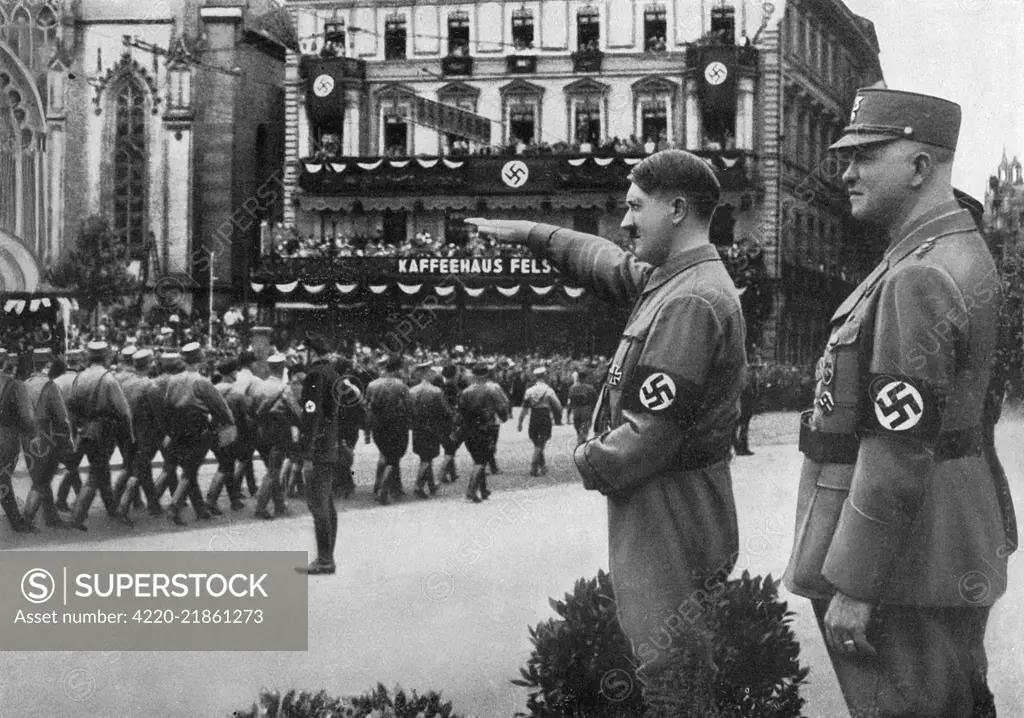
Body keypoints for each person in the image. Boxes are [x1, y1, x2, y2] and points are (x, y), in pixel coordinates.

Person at [466, 148, 746, 711]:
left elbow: (649, 435)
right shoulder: (677, 280)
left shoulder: (689, 299)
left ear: (677, 209)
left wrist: (585, 458)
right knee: (673, 665)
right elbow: (606, 262)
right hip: (675, 502)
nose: (624, 221)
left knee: (673, 674)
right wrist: (534, 233)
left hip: (671, 507)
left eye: (635, 207)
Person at [782, 88, 1012, 716]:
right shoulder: (950, 251)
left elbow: (897, 447)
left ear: (919, 167)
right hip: (936, 544)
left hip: (906, 561)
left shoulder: (920, 274)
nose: (846, 171)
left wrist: (855, 584)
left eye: (866, 156)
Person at [67, 341, 135, 531]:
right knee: (95, 476)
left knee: (102, 473)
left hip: (85, 431)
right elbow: (124, 411)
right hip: (103, 432)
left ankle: (113, 511)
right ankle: (76, 518)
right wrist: (130, 435)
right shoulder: (108, 379)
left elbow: (72, 407)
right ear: (106, 356)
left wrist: (74, 434)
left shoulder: (79, 377)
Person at [297, 334, 343, 575]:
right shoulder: (333, 373)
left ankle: (325, 559)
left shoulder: (315, 375)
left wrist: (306, 453)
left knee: (318, 504)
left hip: (318, 450)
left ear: (311, 352)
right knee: (327, 504)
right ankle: (328, 556)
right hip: (331, 446)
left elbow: (311, 416)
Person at [250, 354, 302, 520]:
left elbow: (251, 409)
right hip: (278, 434)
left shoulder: (259, 386)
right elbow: (296, 412)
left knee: (272, 468)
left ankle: (280, 505)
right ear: (282, 368)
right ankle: (260, 508)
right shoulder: (283, 389)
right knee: (273, 471)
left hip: (260, 433)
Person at [458, 363, 510, 503]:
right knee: (483, 458)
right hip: (487, 426)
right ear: (487, 374)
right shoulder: (493, 388)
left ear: (474, 375)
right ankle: (471, 490)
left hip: (469, 427)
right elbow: (503, 404)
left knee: (477, 457)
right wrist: (504, 418)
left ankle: (483, 489)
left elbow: (461, 410)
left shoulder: (466, 391)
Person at [365, 354, 411, 505]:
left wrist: (367, 429)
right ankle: (384, 489)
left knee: (385, 454)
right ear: (397, 369)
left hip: (378, 425)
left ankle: (385, 486)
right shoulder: (401, 385)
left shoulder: (372, 385)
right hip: (397, 424)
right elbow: (409, 406)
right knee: (393, 457)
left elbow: (367, 407)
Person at [0, 348, 36, 532]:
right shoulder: (14, 385)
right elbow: (27, 418)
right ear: (5, 362)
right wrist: (32, 433)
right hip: (6, 439)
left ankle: (16, 520)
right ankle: (16, 522)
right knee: (3, 479)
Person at [408, 362, 452, 498]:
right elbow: (446, 411)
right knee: (427, 459)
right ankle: (419, 486)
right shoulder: (436, 391)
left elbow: (409, 410)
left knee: (424, 457)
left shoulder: (412, 391)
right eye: (432, 372)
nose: (434, 375)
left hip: (417, 428)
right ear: (427, 373)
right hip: (432, 427)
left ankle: (431, 486)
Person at [518, 366, 562, 476]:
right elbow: (558, 405)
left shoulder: (529, 391)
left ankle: (543, 467)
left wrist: (520, 422)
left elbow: (524, 408)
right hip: (544, 416)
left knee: (537, 441)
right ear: (544, 376)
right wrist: (558, 418)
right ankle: (534, 465)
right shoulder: (549, 390)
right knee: (541, 443)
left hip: (534, 416)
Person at [566, 369, 598, 446]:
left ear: (578, 378)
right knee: (585, 424)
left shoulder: (572, 387)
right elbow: (595, 399)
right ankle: (582, 440)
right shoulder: (590, 387)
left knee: (577, 424)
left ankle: (580, 437)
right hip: (586, 409)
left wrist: (568, 413)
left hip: (576, 409)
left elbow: (569, 401)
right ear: (585, 378)